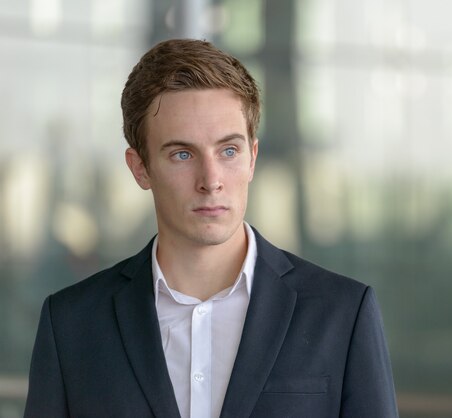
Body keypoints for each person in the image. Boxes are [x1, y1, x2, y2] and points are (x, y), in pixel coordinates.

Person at [24, 39, 398, 418]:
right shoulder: (72, 324)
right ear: (140, 168)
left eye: (228, 150)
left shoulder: (342, 314)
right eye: (182, 154)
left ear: (252, 157)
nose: (211, 179)